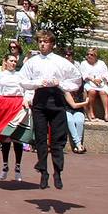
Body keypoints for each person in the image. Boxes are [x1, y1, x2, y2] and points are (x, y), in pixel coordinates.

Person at [18, 31, 82, 189]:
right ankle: (43, 172)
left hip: (56, 99)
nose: (42, 44)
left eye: (45, 42)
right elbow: (23, 80)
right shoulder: (32, 62)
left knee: (58, 138)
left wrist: (60, 84)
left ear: (52, 44)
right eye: (40, 41)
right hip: (40, 99)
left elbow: (76, 79)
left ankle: (57, 172)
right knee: (40, 137)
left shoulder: (61, 61)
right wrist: (38, 82)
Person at [0, 54, 27, 181]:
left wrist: (27, 99)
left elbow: (28, 87)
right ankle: (5, 165)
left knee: (18, 137)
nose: (13, 63)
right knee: (5, 137)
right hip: (4, 105)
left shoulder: (20, 75)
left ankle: (18, 167)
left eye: (15, 61)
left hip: (18, 105)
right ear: (5, 62)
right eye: (11, 61)